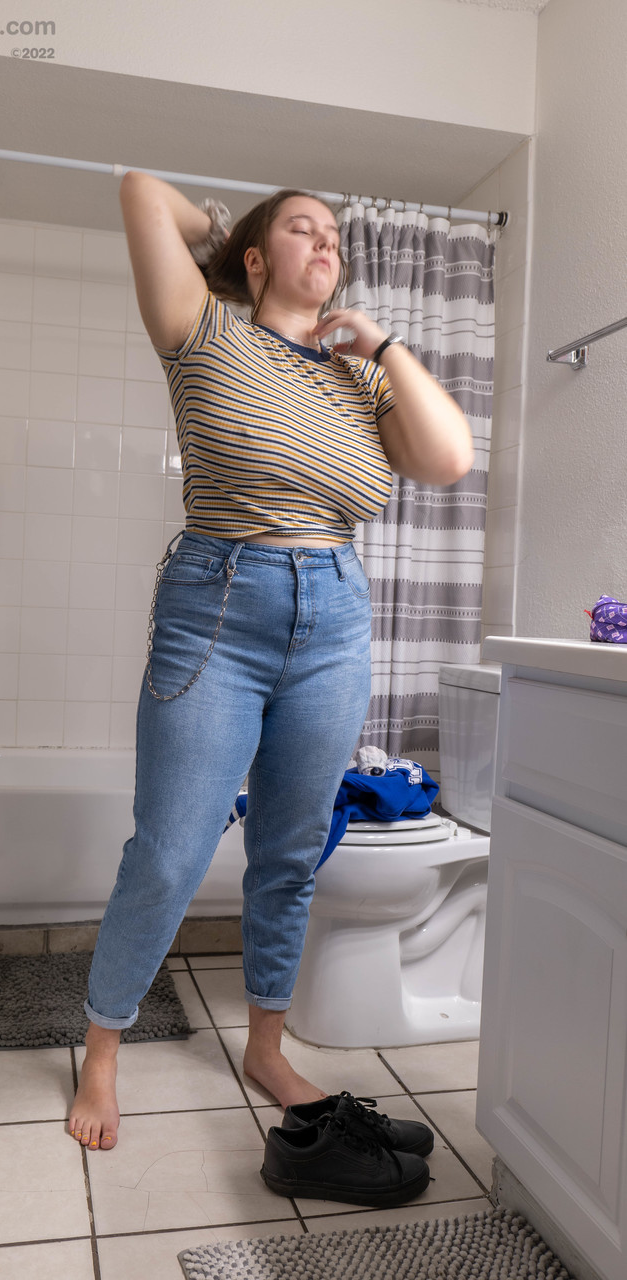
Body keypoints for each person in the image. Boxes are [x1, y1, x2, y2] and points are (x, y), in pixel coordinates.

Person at [69, 173, 473, 1153]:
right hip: (218, 606)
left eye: (334, 233)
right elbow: (139, 190)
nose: (326, 242)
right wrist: (222, 234)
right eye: (301, 228)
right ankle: (102, 1049)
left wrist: (379, 343)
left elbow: (448, 458)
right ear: (255, 258)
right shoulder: (203, 328)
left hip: (333, 615)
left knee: (290, 853)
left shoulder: (358, 378)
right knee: (169, 850)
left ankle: (264, 1047)